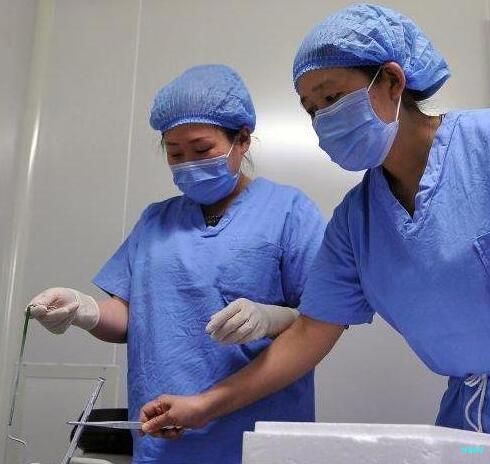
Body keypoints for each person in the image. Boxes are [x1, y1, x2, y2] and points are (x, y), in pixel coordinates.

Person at [140, 5, 490, 463]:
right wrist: (205, 405)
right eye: (311, 109)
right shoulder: (357, 222)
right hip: (475, 425)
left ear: (392, 81)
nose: (322, 118)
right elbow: (307, 336)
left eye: (332, 96)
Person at [27, 64, 325, 464]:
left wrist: (272, 318)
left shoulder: (289, 212)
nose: (188, 163)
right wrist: (84, 309)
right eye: (175, 153)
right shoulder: (155, 221)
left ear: (242, 140)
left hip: (259, 440)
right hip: (165, 439)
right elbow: (134, 316)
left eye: (201, 150)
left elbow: (320, 322)